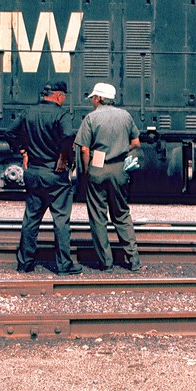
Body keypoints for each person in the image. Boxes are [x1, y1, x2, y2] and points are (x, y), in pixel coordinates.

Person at [7, 81, 82, 275]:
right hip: (54, 175)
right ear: (58, 95)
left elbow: (10, 133)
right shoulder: (62, 115)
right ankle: (64, 265)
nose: (64, 98)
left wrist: (23, 151)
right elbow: (67, 139)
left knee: (31, 219)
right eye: (64, 95)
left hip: (33, 172)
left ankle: (25, 264)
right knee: (61, 221)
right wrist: (65, 165)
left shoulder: (28, 113)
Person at [75, 82, 143, 271]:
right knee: (121, 214)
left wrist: (87, 170)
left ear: (98, 98)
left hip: (98, 168)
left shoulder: (91, 118)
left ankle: (106, 263)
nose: (92, 102)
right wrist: (121, 150)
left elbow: (85, 149)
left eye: (93, 99)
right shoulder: (125, 116)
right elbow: (136, 142)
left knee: (98, 217)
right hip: (120, 169)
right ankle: (133, 260)